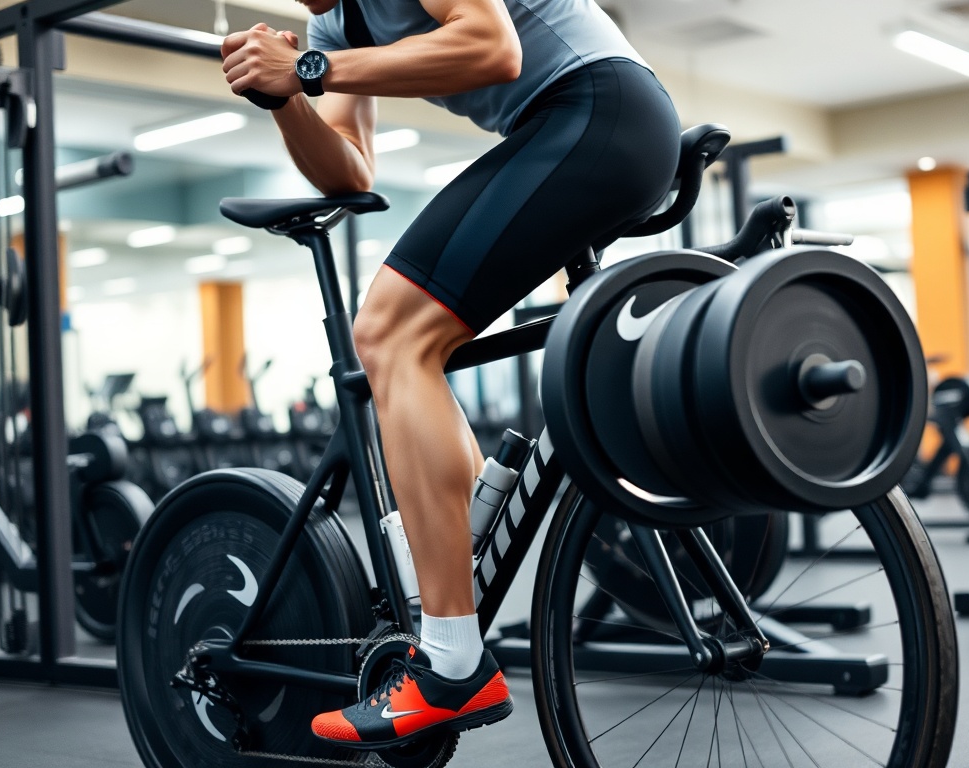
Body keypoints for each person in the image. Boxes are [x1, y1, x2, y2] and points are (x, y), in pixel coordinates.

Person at [220, 0, 680, 750]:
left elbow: (490, 46)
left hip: (597, 110)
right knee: (411, 344)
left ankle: (450, 662)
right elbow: (348, 166)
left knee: (390, 333)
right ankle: (457, 549)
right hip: (575, 129)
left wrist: (306, 67)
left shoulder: (329, 44)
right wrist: (286, 99)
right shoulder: (340, 24)